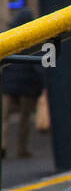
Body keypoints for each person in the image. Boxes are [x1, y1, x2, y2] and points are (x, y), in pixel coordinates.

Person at [2, 9, 45, 158]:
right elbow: (39, 65)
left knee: (4, 118)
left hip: (8, 85)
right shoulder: (34, 36)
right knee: (24, 119)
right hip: (28, 86)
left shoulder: (9, 35)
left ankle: (2, 144)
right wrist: (41, 87)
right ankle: (22, 148)